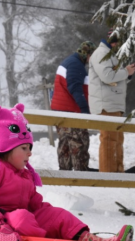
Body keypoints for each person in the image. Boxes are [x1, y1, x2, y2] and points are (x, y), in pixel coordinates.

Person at [0, 103, 134, 241]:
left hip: (16, 221)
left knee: (59, 215)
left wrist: (54, 218)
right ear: (5, 148)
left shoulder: (23, 174)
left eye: (29, 148)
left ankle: (91, 240)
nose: (29, 154)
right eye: (24, 148)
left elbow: (35, 205)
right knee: (22, 219)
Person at [88, 29, 135, 172]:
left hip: (113, 105)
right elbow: (107, 77)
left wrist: (127, 75)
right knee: (109, 141)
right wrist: (126, 72)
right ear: (116, 42)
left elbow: (114, 79)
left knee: (117, 140)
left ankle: (117, 173)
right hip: (106, 105)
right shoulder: (101, 53)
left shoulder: (110, 55)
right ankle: (108, 175)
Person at [51, 41, 96, 171]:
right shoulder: (76, 65)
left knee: (65, 143)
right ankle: (81, 173)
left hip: (61, 110)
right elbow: (75, 88)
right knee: (79, 142)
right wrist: (84, 109)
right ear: (87, 54)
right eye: (92, 55)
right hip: (71, 111)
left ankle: (65, 172)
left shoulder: (70, 62)